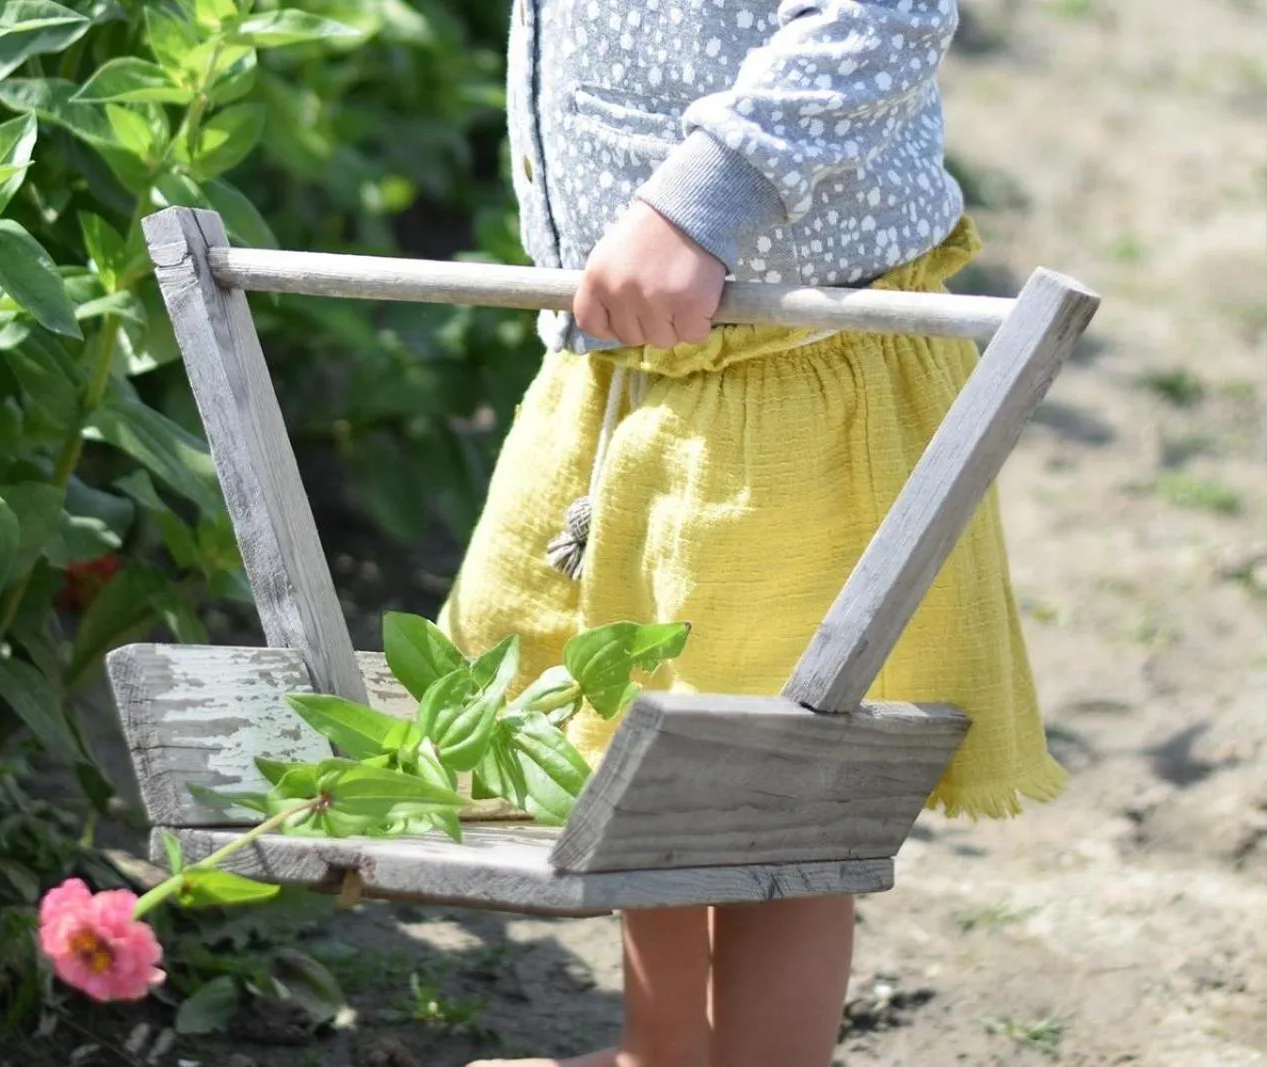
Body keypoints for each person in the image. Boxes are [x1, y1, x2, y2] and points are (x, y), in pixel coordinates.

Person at [439, 2, 1068, 1066]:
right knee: (646, 723)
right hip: (636, 349)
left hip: (795, 354)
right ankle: (667, 1048)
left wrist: (699, 206)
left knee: (773, 774)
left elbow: (882, 14)